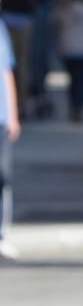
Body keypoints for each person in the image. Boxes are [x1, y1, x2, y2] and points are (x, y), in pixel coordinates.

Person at [51, 0, 83, 122]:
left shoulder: (65, 9)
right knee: (81, 79)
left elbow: (54, 19)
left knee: (74, 80)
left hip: (68, 50)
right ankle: (78, 105)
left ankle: (76, 105)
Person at [0, 13, 20, 261]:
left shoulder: (1, 27)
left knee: (4, 176)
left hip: (2, 117)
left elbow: (7, 72)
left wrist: (13, 113)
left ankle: (2, 233)